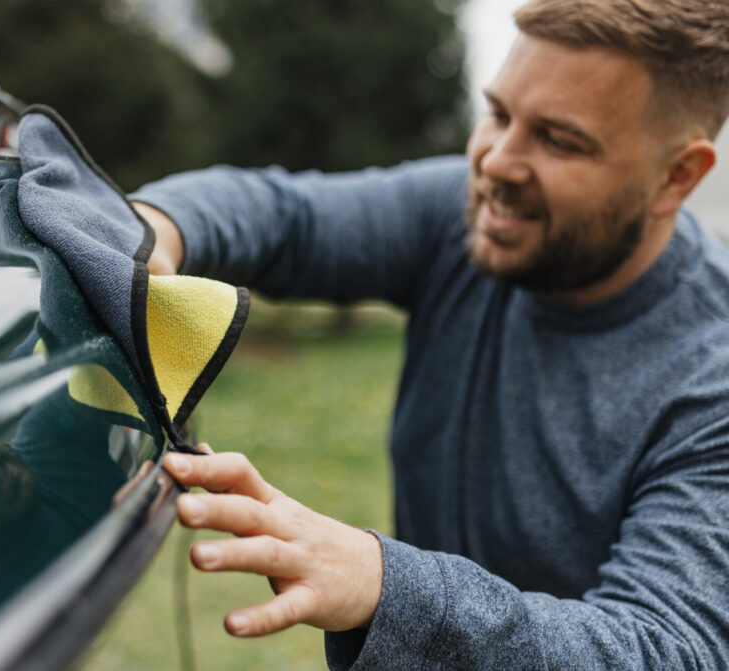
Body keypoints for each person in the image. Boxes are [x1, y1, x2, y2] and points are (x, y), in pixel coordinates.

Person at [127, 0, 729, 668]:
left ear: (677, 176)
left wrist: (384, 583)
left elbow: (668, 647)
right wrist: (151, 230)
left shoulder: (713, 378)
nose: (497, 162)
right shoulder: (466, 214)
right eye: (498, 113)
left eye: (559, 140)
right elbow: (288, 216)